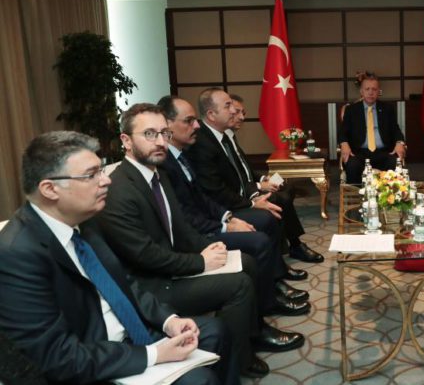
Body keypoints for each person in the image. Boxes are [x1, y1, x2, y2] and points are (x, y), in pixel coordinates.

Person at [0, 131, 237, 385]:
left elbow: (123, 284)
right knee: (200, 380)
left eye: (101, 170)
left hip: (128, 335)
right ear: (50, 189)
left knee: (212, 331)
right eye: (91, 175)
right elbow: (57, 357)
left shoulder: (84, 221)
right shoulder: (17, 255)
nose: (106, 181)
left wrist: (168, 321)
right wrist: (154, 355)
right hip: (90, 360)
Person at [98, 103, 304, 380]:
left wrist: (206, 247)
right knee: (238, 285)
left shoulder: (157, 174)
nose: (160, 142)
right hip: (152, 286)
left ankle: (252, 337)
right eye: (149, 134)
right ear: (126, 140)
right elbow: (145, 256)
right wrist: (200, 261)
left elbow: (181, 229)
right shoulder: (119, 190)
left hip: (170, 266)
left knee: (245, 261)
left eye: (164, 133)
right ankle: (240, 359)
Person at [157, 95, 310, 317]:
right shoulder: (171, 160)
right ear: (167, 125)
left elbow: (202, 197)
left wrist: (228, 218)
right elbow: (187, 212)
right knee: (261, 233)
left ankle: (274, 281)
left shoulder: (182, 154)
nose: (196, 125)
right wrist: (226, 224)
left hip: (216, 214)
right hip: (197, 234)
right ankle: (269, 298)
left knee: (274, 207)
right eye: (189, 121)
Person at [186, 88, 323, 263]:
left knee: (285, 186)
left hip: (251, 185)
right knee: (278, 200)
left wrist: (263, 179)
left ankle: (289, 243)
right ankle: (292, 246)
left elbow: (245, 167)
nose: (238, 115)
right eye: (230, 108)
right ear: (212, 115)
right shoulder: (208, 142)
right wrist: (256, 191)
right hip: (239, 195)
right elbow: (226, 186)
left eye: (242, 112)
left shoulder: (226, 136)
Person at [338, 71, 406, 183]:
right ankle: (356, 193)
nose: (371, 92)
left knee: (394, 163)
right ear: (361, 92)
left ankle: (388, 193)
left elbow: (396, 130)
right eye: (367, 89)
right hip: (359, 152)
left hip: (383, 152)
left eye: (374, 89)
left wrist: (400, 142)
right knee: (352, 165)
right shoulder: (351, 110)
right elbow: (342, 131)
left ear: (378, 92)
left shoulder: (387, 109)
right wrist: (344, 144)